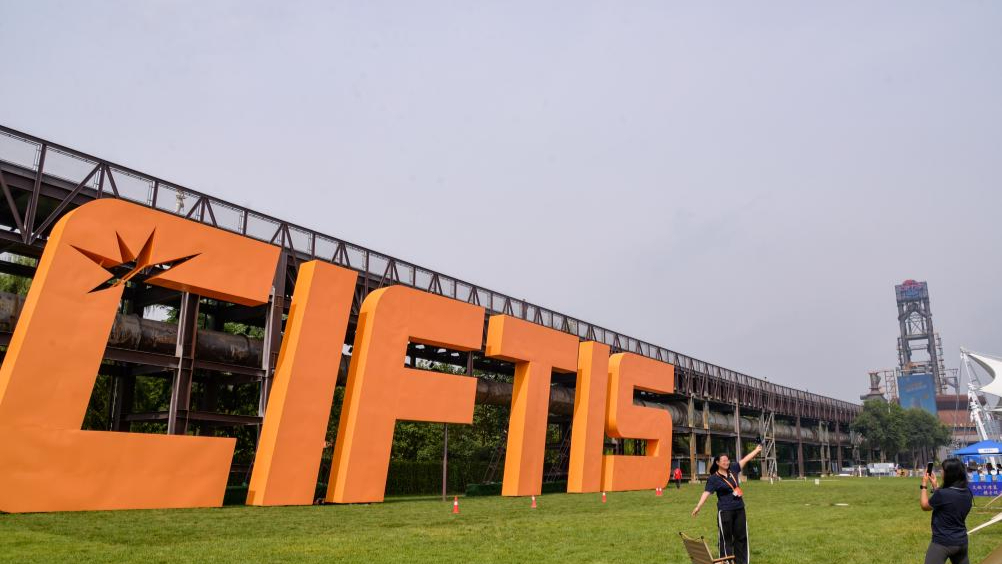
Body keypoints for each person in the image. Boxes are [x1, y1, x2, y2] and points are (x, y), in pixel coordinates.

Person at [691, 444, 763, 564]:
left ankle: (742, 562)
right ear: (718, 463)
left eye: (727, 460)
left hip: (739, 509)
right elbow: (706, 493)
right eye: (724, 461)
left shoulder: (733, 469)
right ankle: (726, 561)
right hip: (725, 511)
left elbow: (745, 459)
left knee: (741, 537)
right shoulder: (713, 479)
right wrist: (698, 506)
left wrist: (756, 450)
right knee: (726, 538)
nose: (727, 462)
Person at [920, 458, 973, 564]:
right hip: (961, 542)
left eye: (943, 470)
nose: (941, 472)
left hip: (942, 542)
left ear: (950, 474)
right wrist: (935, 486)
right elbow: (948, 500)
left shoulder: (943, 494)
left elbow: (925, 506)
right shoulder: (967, 492)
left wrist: (924, 485)